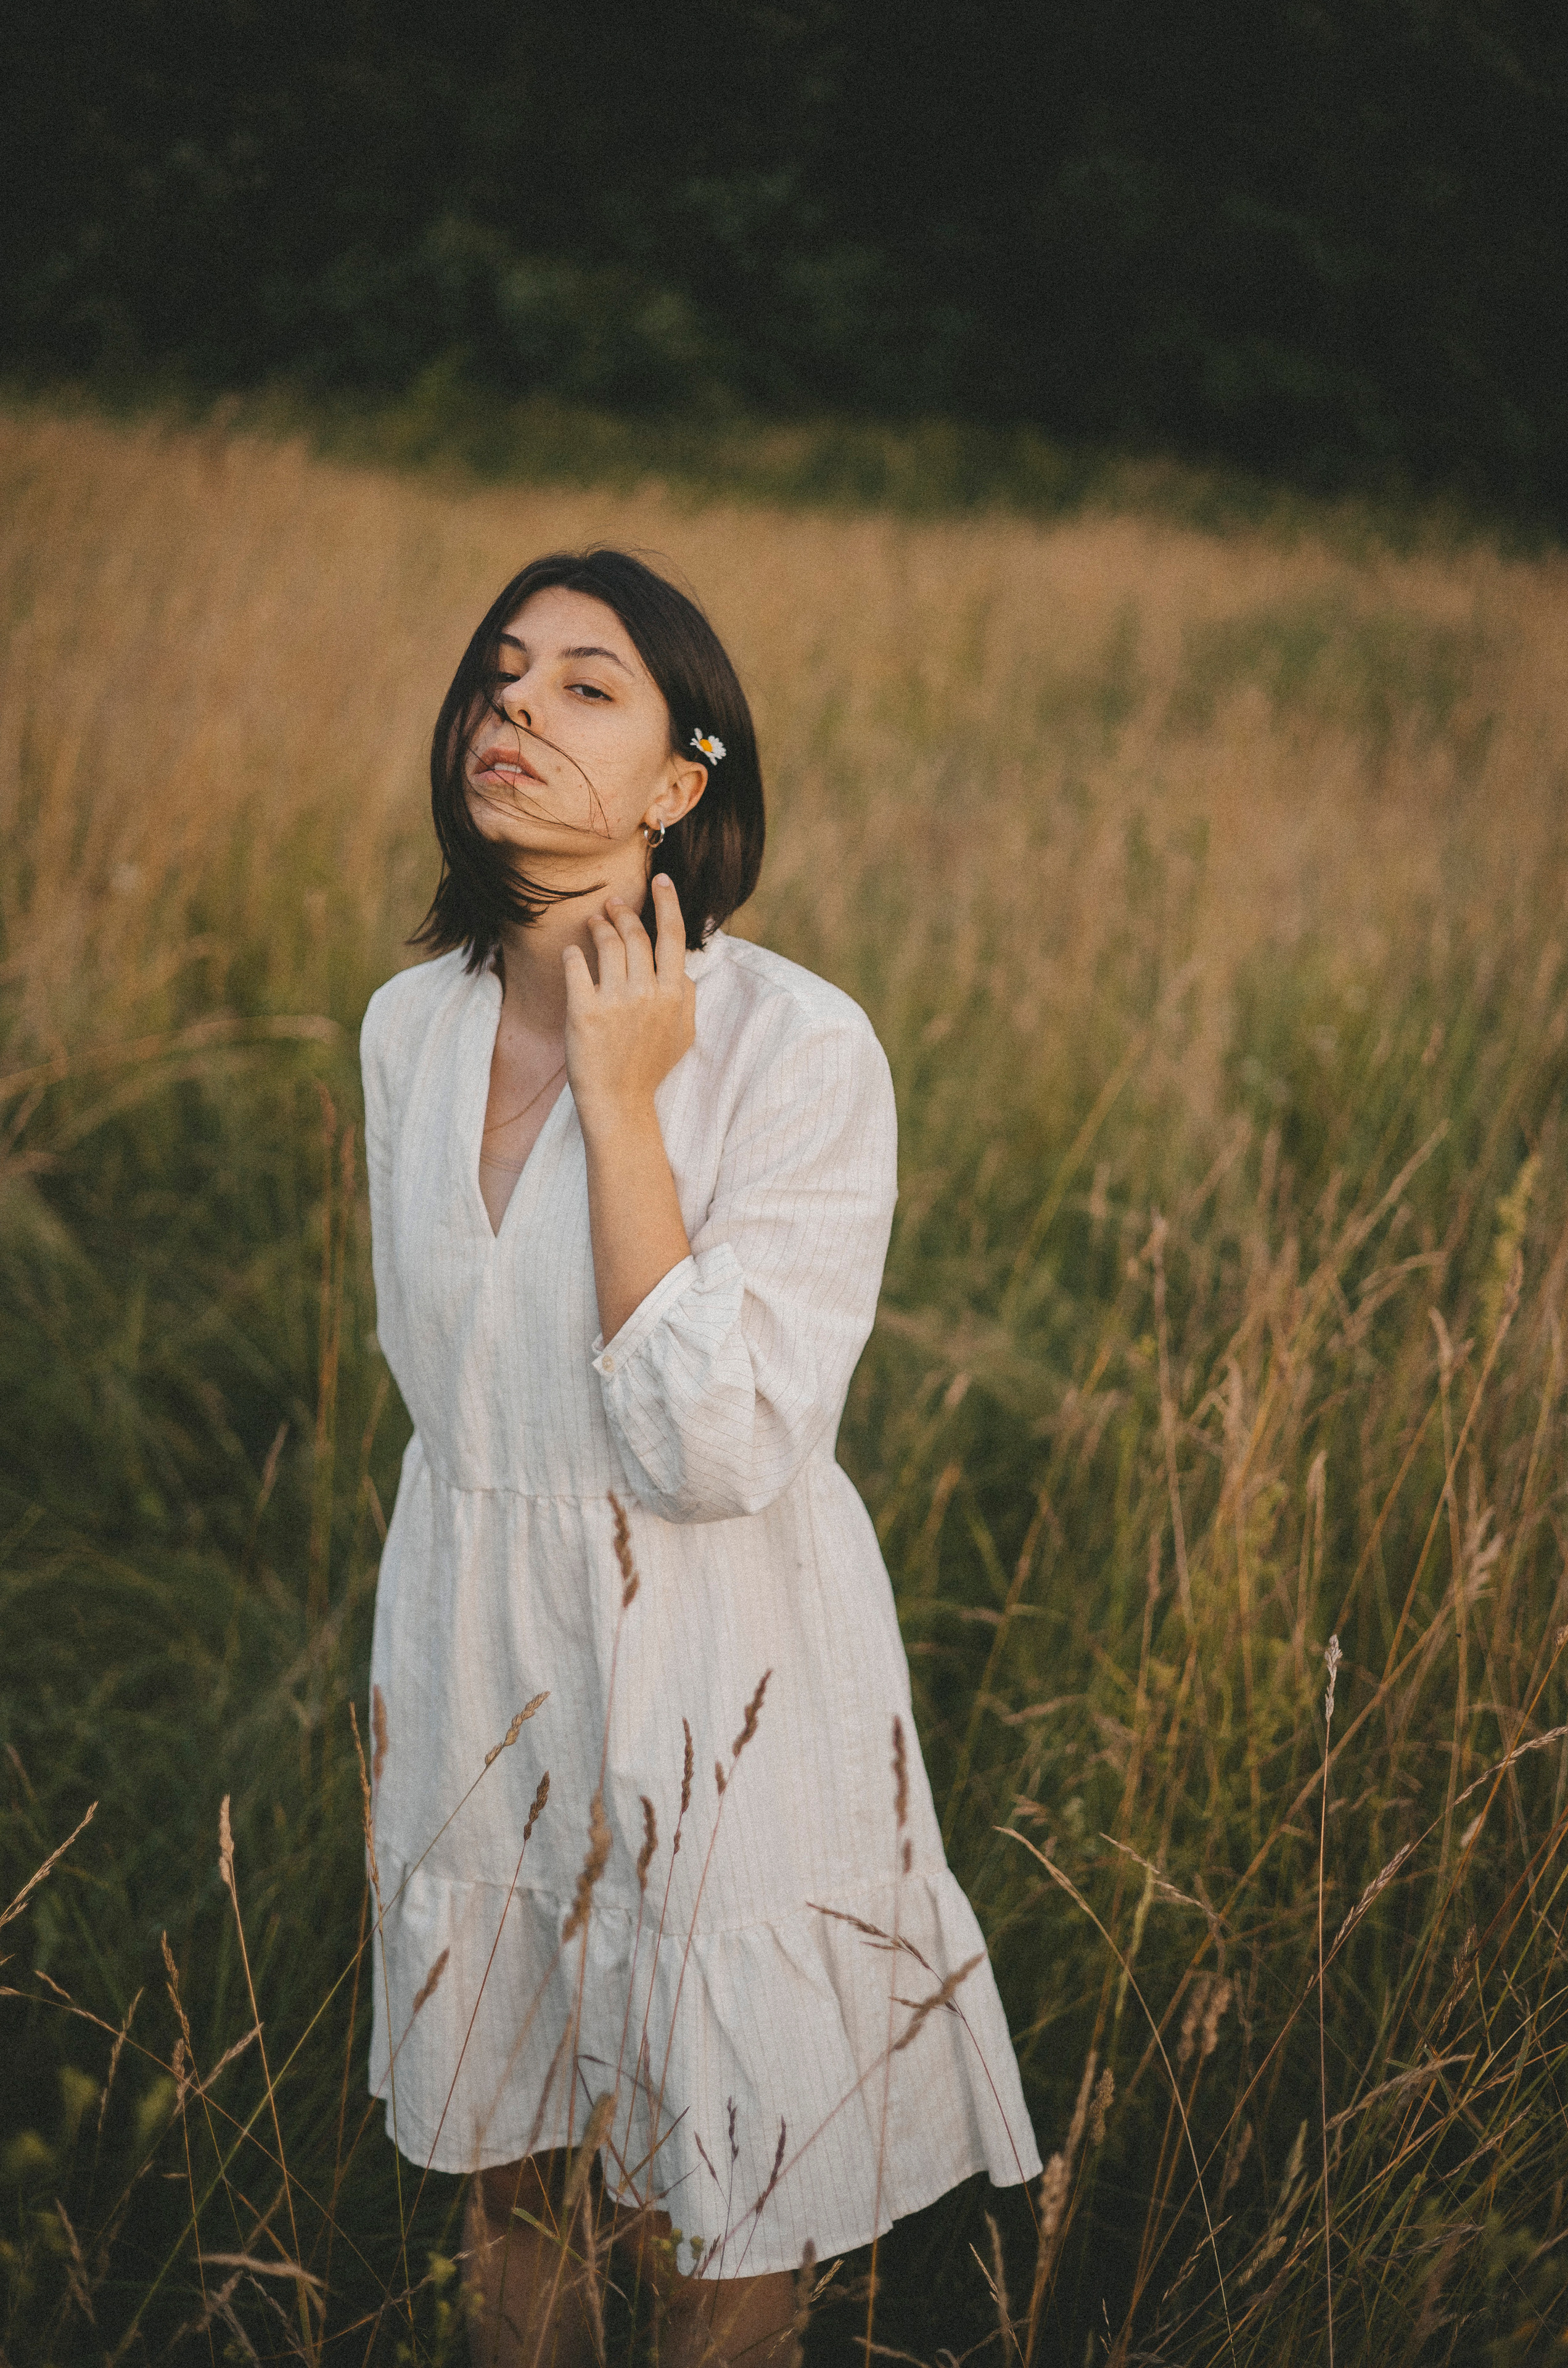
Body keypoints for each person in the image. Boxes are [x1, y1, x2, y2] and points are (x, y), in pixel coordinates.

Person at [359, 549, 1039, 2362]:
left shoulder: (798, 1047)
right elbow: (450, 1388)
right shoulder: (408, 1029)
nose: (515, 703)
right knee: (510, 2173)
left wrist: (618, 1096)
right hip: (477, 1657)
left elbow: (715, 1444)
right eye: (501, 671)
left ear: (682, 782)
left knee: (718, 2200)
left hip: (720, 1670)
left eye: (587, 685)